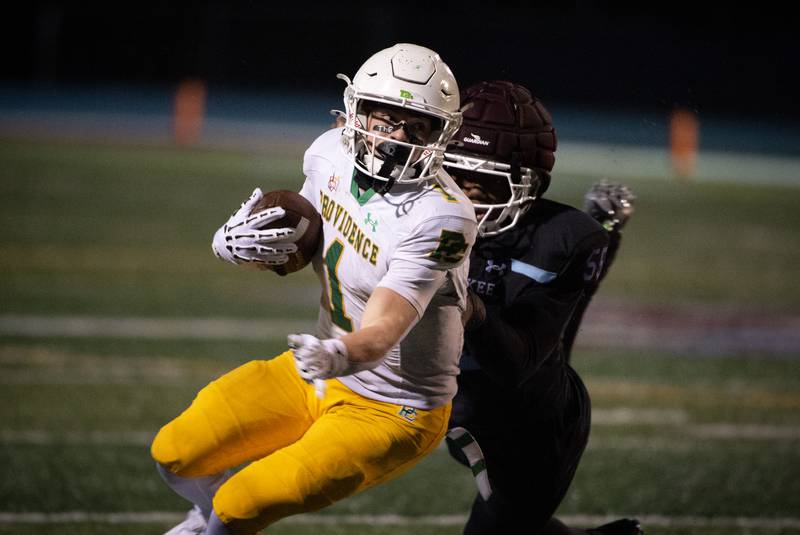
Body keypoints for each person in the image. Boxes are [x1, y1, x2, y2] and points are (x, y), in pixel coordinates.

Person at [150, 43, 477, 534]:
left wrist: (340, 354)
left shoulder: (442, 217)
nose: (396, 139)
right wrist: (240, 245)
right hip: (320, 372)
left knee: (240, 505)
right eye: (385, 119)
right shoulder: (329, 152)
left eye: (417, 126)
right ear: (356, 111)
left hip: (393, 407)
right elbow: (303, 237)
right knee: (173, 452)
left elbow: (385, 326)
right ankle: (202, 518)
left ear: (440, 134)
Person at [440, 80, 640, 535]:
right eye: (454, 175)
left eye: (486, 181)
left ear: (527, 182)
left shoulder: (560, 238)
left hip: (527, 429)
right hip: (456, 406)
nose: (466, 196)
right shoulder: (420, 211)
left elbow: (523, 358)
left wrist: (469, 306)